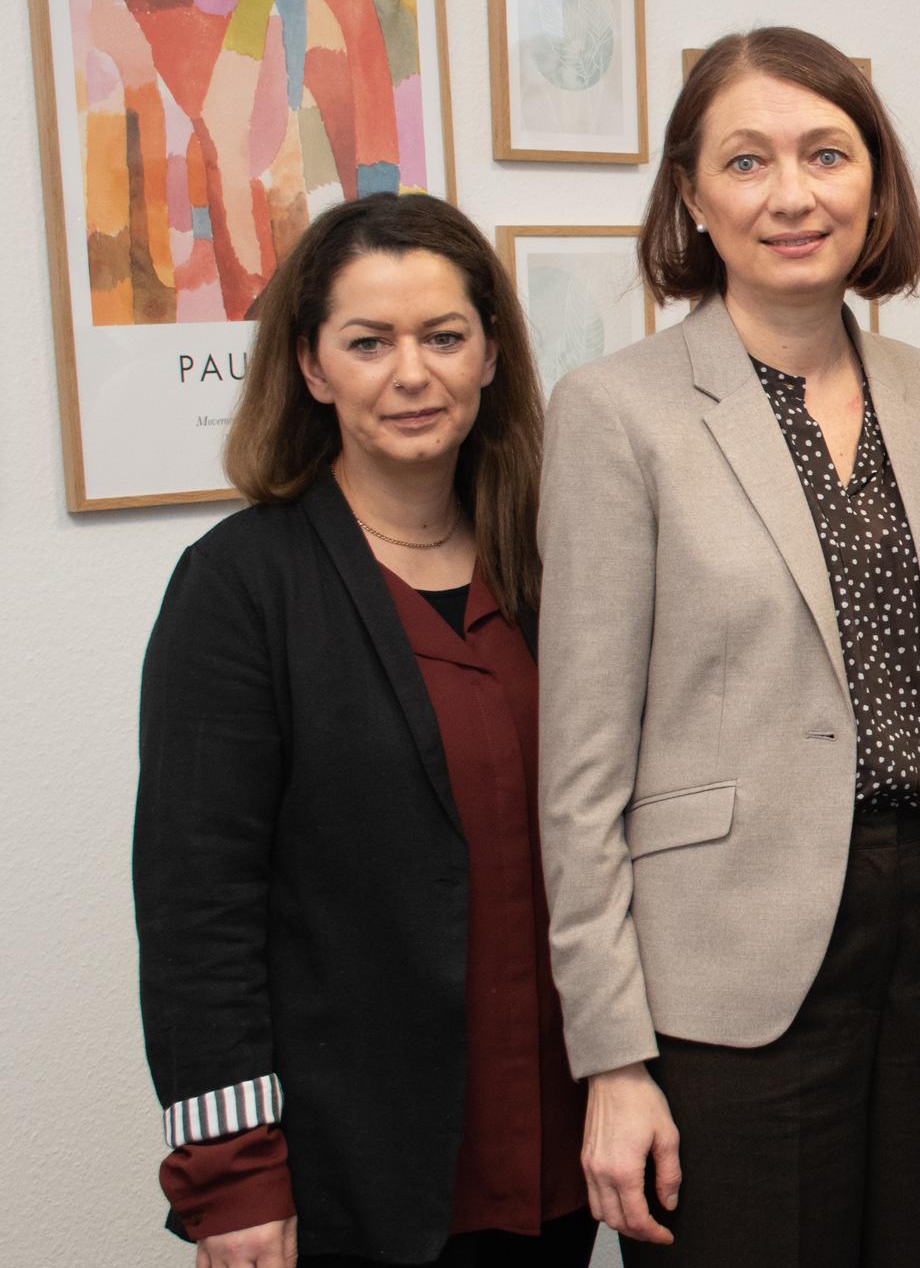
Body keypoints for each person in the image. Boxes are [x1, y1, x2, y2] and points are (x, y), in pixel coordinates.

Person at [536, 26, 920, 1267]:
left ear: (875, 184)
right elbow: (582, 767)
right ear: (692, 195)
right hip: (730, 964)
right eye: (748, 159)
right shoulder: (618, 411)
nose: (792, 193)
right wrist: (610, 1055)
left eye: (827, 154)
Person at [135, 193, 591, 1267]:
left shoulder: (551, 563)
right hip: (358, 1166)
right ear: (310, 365)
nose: (412, 373)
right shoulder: (241, 586)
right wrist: (232, 1177)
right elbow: (199, 909)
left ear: (489, 354)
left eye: (443, 336)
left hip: (562, 1146)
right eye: (369, 341)